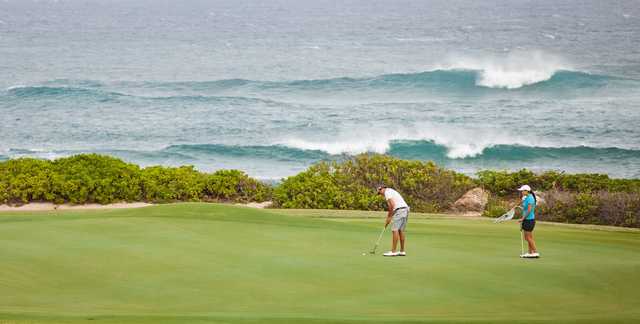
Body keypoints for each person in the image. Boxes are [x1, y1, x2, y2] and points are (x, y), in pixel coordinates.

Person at [377, 185, 409, 257]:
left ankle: (393, 251)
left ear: (382, 189)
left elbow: (392, 206)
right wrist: (390, 217)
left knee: (395, 230)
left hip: (400, 210)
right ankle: (402, 251)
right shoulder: (391, 191)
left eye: (380, 192)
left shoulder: (387, 193)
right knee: (401, 230)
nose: (381, 195)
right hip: (405, 209)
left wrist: (389, 217)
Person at [518, 185, 539, 258]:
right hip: (528, 220)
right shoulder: (527, 198)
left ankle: (535, 252)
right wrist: (519, 206)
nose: (521, 192)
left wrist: (522, 219)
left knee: (528, 238)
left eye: (522, 191)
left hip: (529, 220)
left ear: (526, 191)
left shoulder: (530, 198)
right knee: (529, 237)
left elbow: (529, 210)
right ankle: (530, 252)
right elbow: (525, 207)